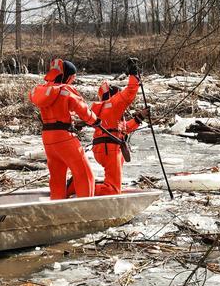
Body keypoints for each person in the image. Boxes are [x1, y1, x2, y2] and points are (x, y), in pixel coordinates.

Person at [30, 58, 100, 199]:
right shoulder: (65, 90)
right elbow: (83, 110)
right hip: (64, 138)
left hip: (48, 138)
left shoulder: (43, 90)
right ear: (67, 76)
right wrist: (96, 121)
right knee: (85, 174)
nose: (72, 81)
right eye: (72, 78)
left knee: (57, 176)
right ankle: (86, 205)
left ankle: (57, 203)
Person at [91, 60, 150, 196]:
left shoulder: (106, 109)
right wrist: (134, 74)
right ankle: (80, 186)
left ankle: (86, 186)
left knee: (112, 185)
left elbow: (121, 129)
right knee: (112, 189)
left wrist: (138, 118)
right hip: (110, 149)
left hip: (105, 147)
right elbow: (130, 91)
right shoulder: (114, 104)